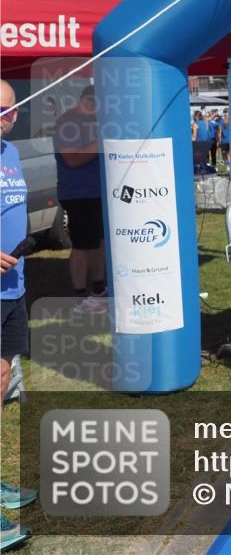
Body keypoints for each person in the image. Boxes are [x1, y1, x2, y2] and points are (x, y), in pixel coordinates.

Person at [1, 80, 38, 550]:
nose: (6, 115)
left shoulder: (10, 151)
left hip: (13, 288)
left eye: (11, 108)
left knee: (3, 380)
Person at [54, 85, 106, 315]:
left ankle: (98, 290)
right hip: (79, 193)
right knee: (83, 246)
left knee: (97, 244)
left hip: (96, 192)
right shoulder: (68, 123)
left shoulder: (93, 122)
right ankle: (80, 296)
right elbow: (72, 159)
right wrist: (101, 142)